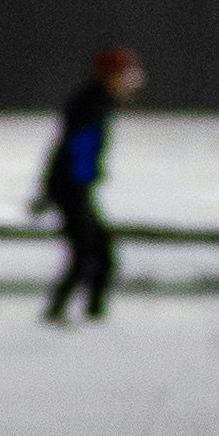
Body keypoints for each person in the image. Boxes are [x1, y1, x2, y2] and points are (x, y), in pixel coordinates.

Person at [34, 43, 142, 323]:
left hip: (74, 187)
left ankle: (91, 314)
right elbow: (75, 150)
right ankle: (61, 313)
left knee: (100, 254)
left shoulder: (97, 102)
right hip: (72, 188)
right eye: (122, 76)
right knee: (88, 253)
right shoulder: (91, 105)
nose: (127, 83)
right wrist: (72, 187)